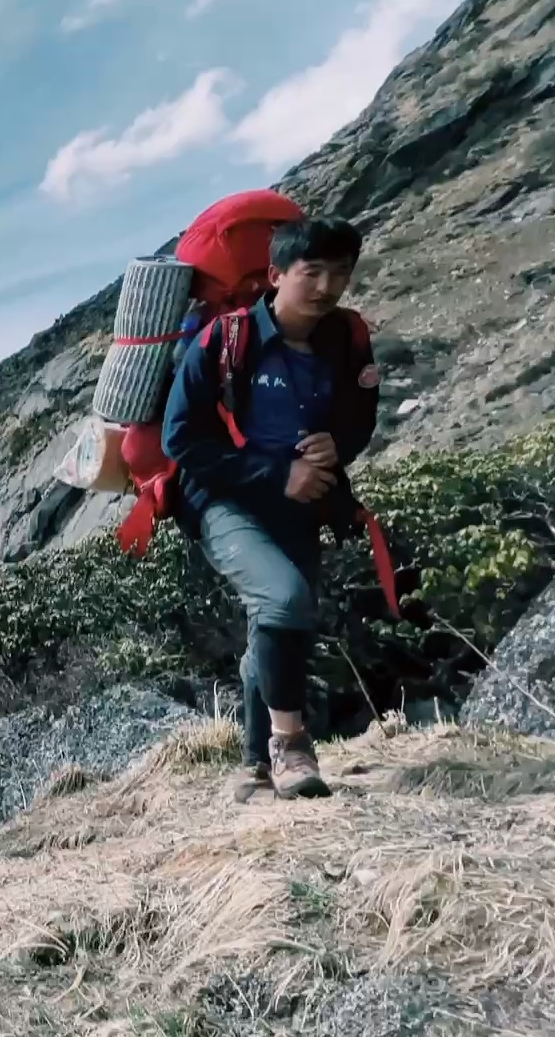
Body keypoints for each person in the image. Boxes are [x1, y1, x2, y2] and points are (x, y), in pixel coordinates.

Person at [162, 216, 378, 801]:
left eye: (341, 273)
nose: (328, 286)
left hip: (302, 506)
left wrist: (339, 442)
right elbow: (180, 440)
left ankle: (254, 769)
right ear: (276, 275)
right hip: (224, 501)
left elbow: (360, 418)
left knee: (279, 625)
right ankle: (291, 743)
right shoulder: (226, 341)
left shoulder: (349, 340)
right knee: (284, 599)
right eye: (313, 272)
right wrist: (278, 474)